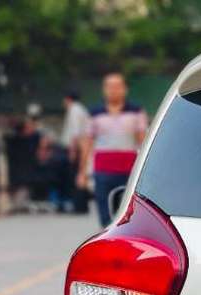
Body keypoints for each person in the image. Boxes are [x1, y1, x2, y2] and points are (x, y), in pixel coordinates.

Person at [77, 73, 148, 226]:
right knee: (104, 209)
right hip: (103, 168)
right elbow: (87, 143)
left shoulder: (136, 111)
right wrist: (82, 172)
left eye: (117, 86)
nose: (114, 90)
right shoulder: (94, 113)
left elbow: (143, 141)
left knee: (128, 211)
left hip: (129, 168)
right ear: (104, 89)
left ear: (125, 89)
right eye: (110, 86)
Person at [61, 91, 90, 213]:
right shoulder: (80, 109)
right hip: (81, 146)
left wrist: (73, 150)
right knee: (79, 175)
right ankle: (81, 204)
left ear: (68, 99)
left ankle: (79, 205)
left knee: (75, 177)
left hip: (78, 148)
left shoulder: (74, 110)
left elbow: (75, 132)